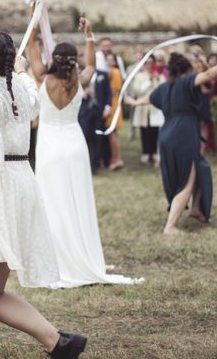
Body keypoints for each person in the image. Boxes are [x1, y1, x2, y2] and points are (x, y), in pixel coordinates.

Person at [0, 31, 87, 359]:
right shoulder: (20, 91)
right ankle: (57, 342)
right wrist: (21, 69)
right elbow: (32, 95)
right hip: (17, 187)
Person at [27, 16, 142, 288]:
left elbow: (31, 44)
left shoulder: (41, 77)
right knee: (77, 200)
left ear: (53, 58)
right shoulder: (81, 79)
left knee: (51, 201)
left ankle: (58, 259)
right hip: (74, 144)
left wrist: (34, 12)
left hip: (49, 145)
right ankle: (83, 254)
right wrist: (89, 34)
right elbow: (91, 63)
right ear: (73, 60)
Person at [130, 50, 217, 234]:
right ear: (185, 70)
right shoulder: (186, 81)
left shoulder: (165, 87)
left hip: (166, 135)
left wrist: (132, 103)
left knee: (200, 169)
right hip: (183, 133)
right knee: (186, 182)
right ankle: (170, 226)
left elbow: (148, 98)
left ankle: (197, 209)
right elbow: (208, 75)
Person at [125, 54, 165, 166]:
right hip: (143, 108)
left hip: (155, 108)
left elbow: (162, 89)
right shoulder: (140, 76)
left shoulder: (160, 75)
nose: (149, 65)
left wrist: (156, 79)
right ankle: (146, 153)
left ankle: (156, 154)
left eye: (151, 62)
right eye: (146, 63)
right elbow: (138, 91)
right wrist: (149, 80)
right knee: (145, 131)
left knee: (156, 131)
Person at [104, 52, 125, 170]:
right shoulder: (118, 72)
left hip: (112, 102)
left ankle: (115, 159)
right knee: (114, 133)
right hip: (116, 101)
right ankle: (117, 158)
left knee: (112, 133)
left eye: (111, 59)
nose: (108, 61)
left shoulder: (111, 71)